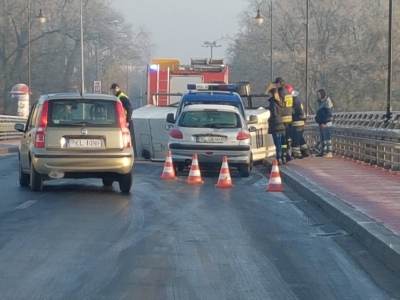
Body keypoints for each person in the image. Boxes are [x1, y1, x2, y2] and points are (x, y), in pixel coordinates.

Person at [286, 85, 310, 158]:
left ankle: (297, 153)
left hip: (296, 122)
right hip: (300, 121)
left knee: (295, 138)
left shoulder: (293, 100)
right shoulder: (297, 99)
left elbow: (291, 111)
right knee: (300, 137)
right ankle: (305, 151)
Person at [266, 83, 286, 165]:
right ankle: (283, 157)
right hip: (282, 125)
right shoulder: (281, 101)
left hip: (275, 126)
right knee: (282, 144)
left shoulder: (273, 103)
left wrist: (269, 119)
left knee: (277, 144)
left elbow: (273, 114)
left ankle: (279, 158)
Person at [273, 77, 293, 161]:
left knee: (282, 140)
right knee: (286, 139)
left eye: (276, 84)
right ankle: (287, 154)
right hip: (289, 118)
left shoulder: (280, 93)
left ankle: (283, 155)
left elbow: (278, 105)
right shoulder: (288, 93)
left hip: (283, 119)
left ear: (279, 84)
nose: (275, 85)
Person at [315, 88, 333, 158]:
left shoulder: (327, 101)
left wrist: (324, 122)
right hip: (321, 122)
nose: (318, 96)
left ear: (322, 94)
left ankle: (329, 152)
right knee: (322, 138)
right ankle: (323, 151)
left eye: (319, 94)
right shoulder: (320, 102)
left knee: (327, 138)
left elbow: (328, 114)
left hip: (326, 123)